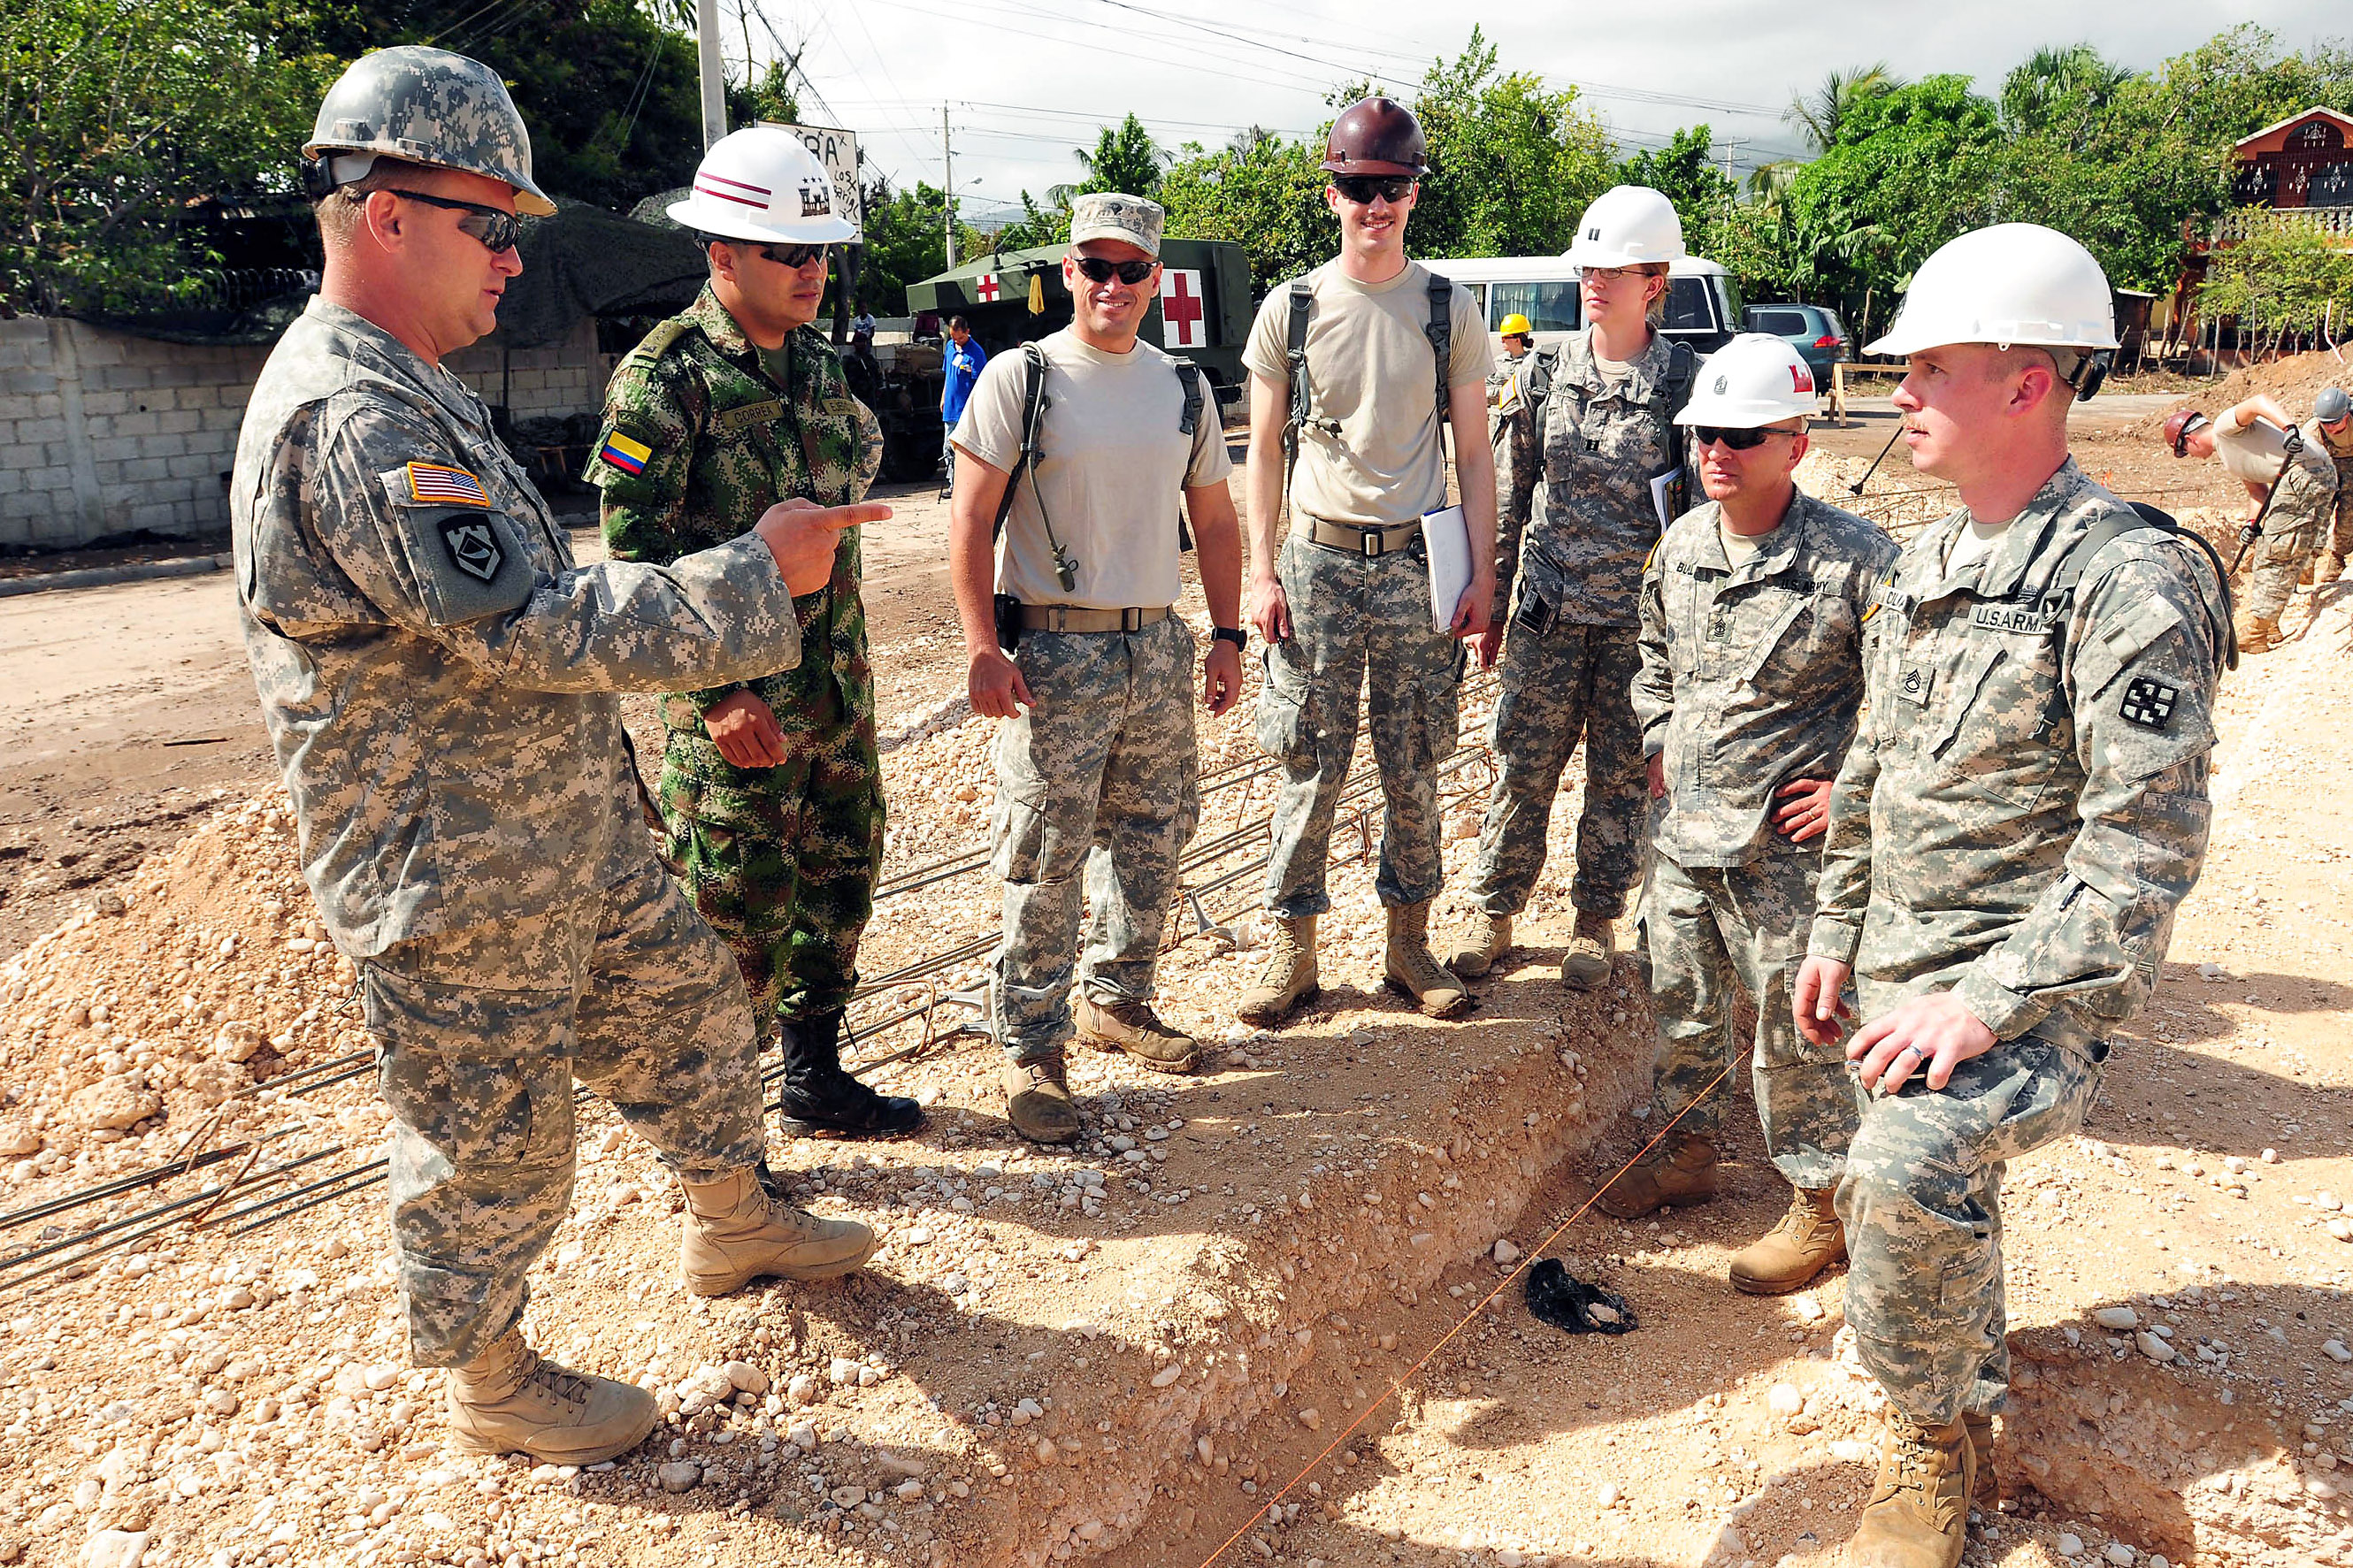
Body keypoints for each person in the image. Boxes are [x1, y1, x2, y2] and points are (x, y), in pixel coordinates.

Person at [234, 47, 883, 1466]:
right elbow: (527, 630)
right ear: (381, 211)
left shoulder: (414, 383)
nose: (517, 259)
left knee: (694, 1025)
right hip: (456, 872)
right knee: (493, 1145)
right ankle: (495, 1381)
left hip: (559, 833)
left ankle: (734, 1222)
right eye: (491, 222)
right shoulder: (353, 416)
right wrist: (754, 574)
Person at [1790, 224, 2228, 1567]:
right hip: (1901, 961)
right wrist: (1829, 932)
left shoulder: (2124, 580)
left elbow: (2141, 851)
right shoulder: (1927, 563)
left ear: (2026, 384)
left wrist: (1980, 1005)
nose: (1897, 394)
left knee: (1911, 1160)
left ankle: (1930, 1438)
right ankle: (1962, 1337)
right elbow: (1869, 769)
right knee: (1908, 1167)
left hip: (2031, 990)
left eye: (1926, 369)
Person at [587, 127, 921, 1140]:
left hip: (834, 691)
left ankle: (813, 1078)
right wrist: (710, 697)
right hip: (736, 712)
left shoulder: (821, 366)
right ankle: (720, 1149)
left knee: (838, 876)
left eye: (820, 251)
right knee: (732, 917)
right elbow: (632, 568)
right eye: (788, 251)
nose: (811, 270)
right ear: (720, 252)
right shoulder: (661, 382)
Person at [1598, 333, 1897, 1301]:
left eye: (1736, 434)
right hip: (1684, 836)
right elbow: (1651, 653)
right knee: (1682, 1007)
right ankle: (1685, 1155)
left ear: (1794, 444)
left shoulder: (1855, 562)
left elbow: (1909, 701)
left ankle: (1821, 1203)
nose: (1712, 453)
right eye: (1699, 435)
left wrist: (1854, 788)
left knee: (1793, 1030)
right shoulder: (1681, 545)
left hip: (1784, 853)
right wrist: (1655, 738)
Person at [947, 194, 1245, 1143]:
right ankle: (1030, 1045)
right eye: (1095, 267)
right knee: (1045, 853)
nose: (1111, 285)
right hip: (1053, 647)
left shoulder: (1182, 389)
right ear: (1066, 273)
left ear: (1154, 280)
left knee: (1154, 835)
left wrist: (1227, 633)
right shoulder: (1020, 377)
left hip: (1153, 642)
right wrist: (981, 647)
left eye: (1131, 270)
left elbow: (1215, 519)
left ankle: (1118, 999)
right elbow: (966, 519)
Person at [1235, 96, 1496, 1025]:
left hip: (1415, 565)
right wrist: (1258, 576)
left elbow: (1473, 452)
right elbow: (1261, 451)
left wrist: (1482, 577)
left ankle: (1409, 946)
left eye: (1388, 188)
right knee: (1309, 760)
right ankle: (1292, 954)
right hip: (1315, 564)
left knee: (1414, 759)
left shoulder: (1443, 307)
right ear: (1331, 194)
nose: (1372, 206)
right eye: (1355, 188)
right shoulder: (1291, 308)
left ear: (1413, 194)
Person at [1444, 186, 1695, 992]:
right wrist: (1493, 588)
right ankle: (1494, 912)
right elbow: (1516, 493)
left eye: (1614, 270)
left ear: (1654, 280)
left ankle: (1595, 919)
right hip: (1548, 614)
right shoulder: (1547, 370)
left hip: (1638, 626)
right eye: (1589, 267)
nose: (1595, 281)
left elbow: (1697, 517)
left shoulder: (1684, 382)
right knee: (1522, 767)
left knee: (1619, 777)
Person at [2161, 392, 2339, 652]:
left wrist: (2289, 429)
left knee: (2273, 555)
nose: (2190, 456)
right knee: (2287, 550)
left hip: (2303, 472)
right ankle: (2270, 625)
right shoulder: (2230, 456)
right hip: (2313, 474)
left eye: (2184, 451)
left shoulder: (2224, 427)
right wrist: (2251, 524)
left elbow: (2258, 402)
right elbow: (2258, 493)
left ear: (2190, 439)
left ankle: (2258, 631)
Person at [1486, 312, 1551, 621]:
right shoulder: (1498, 366)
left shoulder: (1535, 367)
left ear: (1520, 338)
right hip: (1498, 443)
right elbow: (1485, 392)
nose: (1503, 341)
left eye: (1508, 337)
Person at [941, 315, 987, 493]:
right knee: (948, 447)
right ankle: (953, 484)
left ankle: (966, 485)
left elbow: (980, 382)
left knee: (966, 448)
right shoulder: (950, 347)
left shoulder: (976, 352)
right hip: (951, 408)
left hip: (967, 408)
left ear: (967, 332)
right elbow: (948, 375)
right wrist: (944, 397)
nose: (957, 342)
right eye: (954, 338)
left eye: (960, 338)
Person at [2315, 384, 2353, 585]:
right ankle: (2307, 561)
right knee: (2318, 514)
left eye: (2335, 422)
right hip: (2325, 467)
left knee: (2349, 517)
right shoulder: (2313, 430)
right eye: (2325, 423)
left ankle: (2337, 560)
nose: (2330, 428)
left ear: (2347, 415)